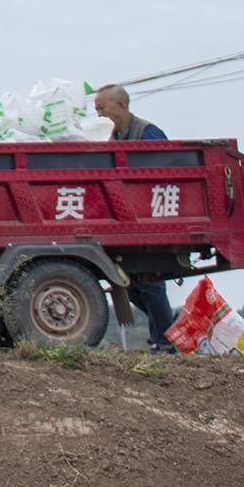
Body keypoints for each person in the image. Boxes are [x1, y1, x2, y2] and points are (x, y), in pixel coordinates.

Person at [96, 84, 177, 347]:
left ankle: (164, 342)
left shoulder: (147, 132)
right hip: (127, 221)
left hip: (149, 220)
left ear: (120, 105)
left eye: (102, 108)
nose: (99, 114)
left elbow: (166, 174)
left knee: (150, 281)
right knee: (131, 285)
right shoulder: (114, 138)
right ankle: (166, 334)